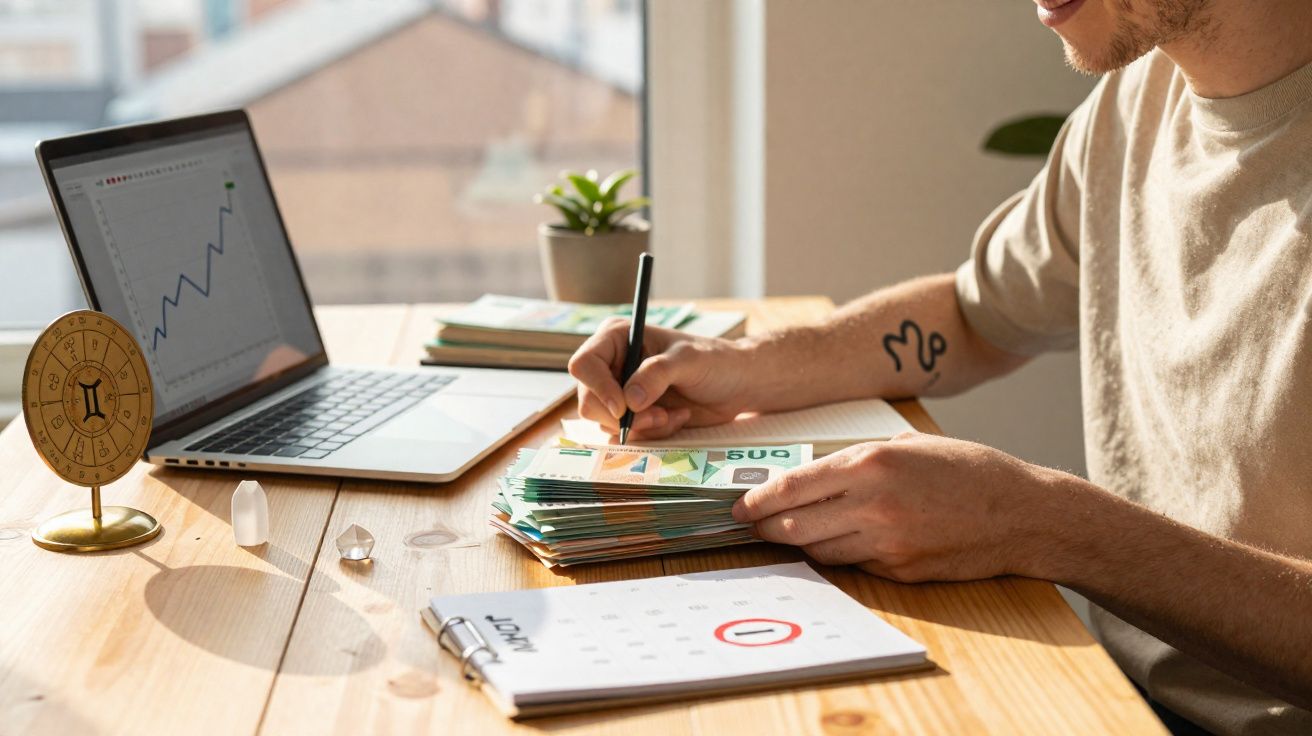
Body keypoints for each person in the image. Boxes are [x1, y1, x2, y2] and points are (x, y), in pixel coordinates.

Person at [567, 0, 1312, 733]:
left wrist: (1041, 523)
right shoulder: (1137, 100)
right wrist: (749, 365)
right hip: (1117, 695)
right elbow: (971, 317)